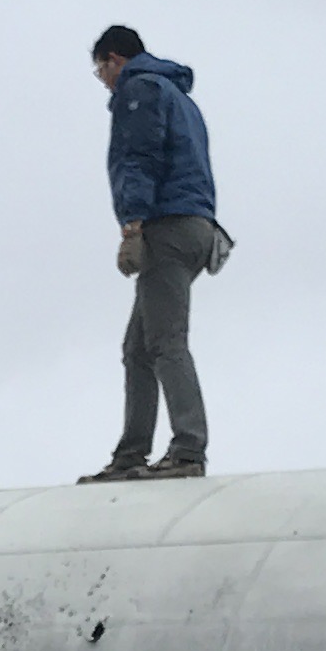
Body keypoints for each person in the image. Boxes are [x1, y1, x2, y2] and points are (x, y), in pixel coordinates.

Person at [79, 24, 222, 483]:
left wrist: (132, 225)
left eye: (100, 68)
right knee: (137, 348)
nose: (101, 79)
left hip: (168, 226)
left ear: (114, 59)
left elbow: (139, 156)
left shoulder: (138, 89)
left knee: (164, 342)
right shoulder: (180, 96)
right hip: (198, 226)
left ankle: (187, 450)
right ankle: (131, 454)